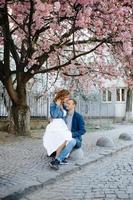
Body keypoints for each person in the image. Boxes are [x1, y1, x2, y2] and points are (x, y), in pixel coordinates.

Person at [43, 89, 75, 170]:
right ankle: (57, 158)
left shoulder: (63, 104)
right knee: (63, 139)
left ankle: (57, 159)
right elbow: (54, 115)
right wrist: (57, 105)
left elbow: (66, 114)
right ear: (62, 96)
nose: (67, 98)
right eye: (67, 97)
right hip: (55, 125)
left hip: (61, 125)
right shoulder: (53, 104)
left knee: (65, 139)